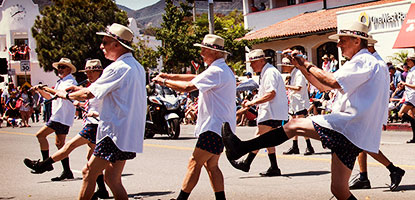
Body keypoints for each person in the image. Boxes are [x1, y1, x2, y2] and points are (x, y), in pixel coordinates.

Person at [222, 20, 390, 200]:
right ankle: (241, 148)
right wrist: (300, 65)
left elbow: (331, 81)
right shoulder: (367, 62)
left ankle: (242, 147)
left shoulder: (363, 60)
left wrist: (307, 63)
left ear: (357, 41)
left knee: (294, 125)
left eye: (342, 40)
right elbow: (323, 86)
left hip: (349, 127)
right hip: (355, 133)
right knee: (339, 189)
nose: (338, 44)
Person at [29, 23, 146, 200]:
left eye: (105, 42)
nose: (102, 46)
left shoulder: (117, 67)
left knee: (89, 173)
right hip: (127, 133)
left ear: (117, 44)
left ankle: (45, 165)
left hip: (114, 133)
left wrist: (66, 95)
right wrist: (73, 92)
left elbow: (88, 93)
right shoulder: (137, 66)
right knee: (112, 179)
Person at [153, 34, 233, 200]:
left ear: (216, 53)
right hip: (220, 127)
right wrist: (169, 76)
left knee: (194, 162)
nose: (202, 53)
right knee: (211, 165)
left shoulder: (216, 71)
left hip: (213, 127)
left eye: (205, 50)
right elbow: (194, 78)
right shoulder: (220, 70)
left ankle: (181, 199)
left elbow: (189, 86)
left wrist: (164, 82)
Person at [24, 59, 110, 199]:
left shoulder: (99, 84)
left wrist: (63, 93)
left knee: (68, 146)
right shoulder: (92, 84)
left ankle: (43, 165)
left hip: (94, 124)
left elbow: (82, 95)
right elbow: (83, 97)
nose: (88, 74)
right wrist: (78, 102)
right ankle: (102, 190)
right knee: (90, 160)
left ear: (99, 71)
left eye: (91, 71)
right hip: (92, 122)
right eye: (86, 71)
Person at [349, 38, 407, 191]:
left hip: (369, 109)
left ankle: (393, 170)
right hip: (367, 108)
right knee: (361, 144)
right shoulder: (376, 62)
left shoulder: (373, 63)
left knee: (364, 144)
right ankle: (364, 177)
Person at [227, 51, 288, 177]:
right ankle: (274, 167)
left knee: (259, 137)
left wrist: (253, 102)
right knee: (267, 139)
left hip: (271, 111)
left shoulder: (270, 73)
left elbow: (271, 94)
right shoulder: (266, 72)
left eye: (253, 62)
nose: (252, 66)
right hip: (272, 111)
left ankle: (247, 162)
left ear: (262, 60)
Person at [29, 57, 77, 181]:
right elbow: (50, 96)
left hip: (61, 116)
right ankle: (67, 171)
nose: (59, 69)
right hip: (58, 115)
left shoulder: (70, 81)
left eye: (63, 67)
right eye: (59, 67)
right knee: (60, 145)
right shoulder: (60, 82)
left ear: (69, 69)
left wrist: (45, 88)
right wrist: (41, 91)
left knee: (40, 135)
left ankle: (47, 163)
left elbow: (60, 93)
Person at [284, 55, 316, 156]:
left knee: (300, 124)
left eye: (285, 65)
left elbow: (298, 87)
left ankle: (309, 146)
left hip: (300, 102)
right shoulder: (292, 74)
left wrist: (286, 86)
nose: (283, 67)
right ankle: (295, 146)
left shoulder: (298, 74)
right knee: (294, 124)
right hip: (295, 102)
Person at [398, 53, 415, 143]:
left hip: (412, 96)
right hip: (411, 95)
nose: (407, 62)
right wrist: (404, 85)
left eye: (408, 60)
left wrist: (405, 84)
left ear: (413, 61)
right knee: (411, 115)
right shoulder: (412, 71)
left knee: (400, 113)